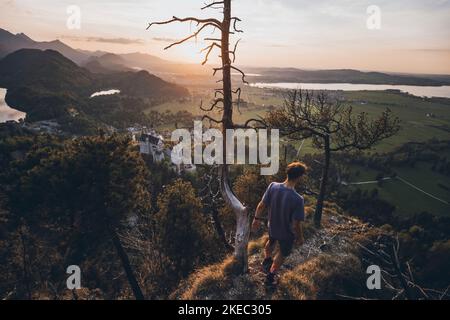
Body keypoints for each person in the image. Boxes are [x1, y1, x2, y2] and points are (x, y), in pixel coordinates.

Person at [251, 162, 307, 286]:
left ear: (287, 173)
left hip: (272, 227)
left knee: (270, 242)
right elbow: (296, 225)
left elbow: (261, 205)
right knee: (282, 253)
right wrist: (300, 237)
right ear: (299, 177)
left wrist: (256, 219)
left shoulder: (273, 186)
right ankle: (270, 276)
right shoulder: (298, 199)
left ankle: (266, 260)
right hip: (286, 234)